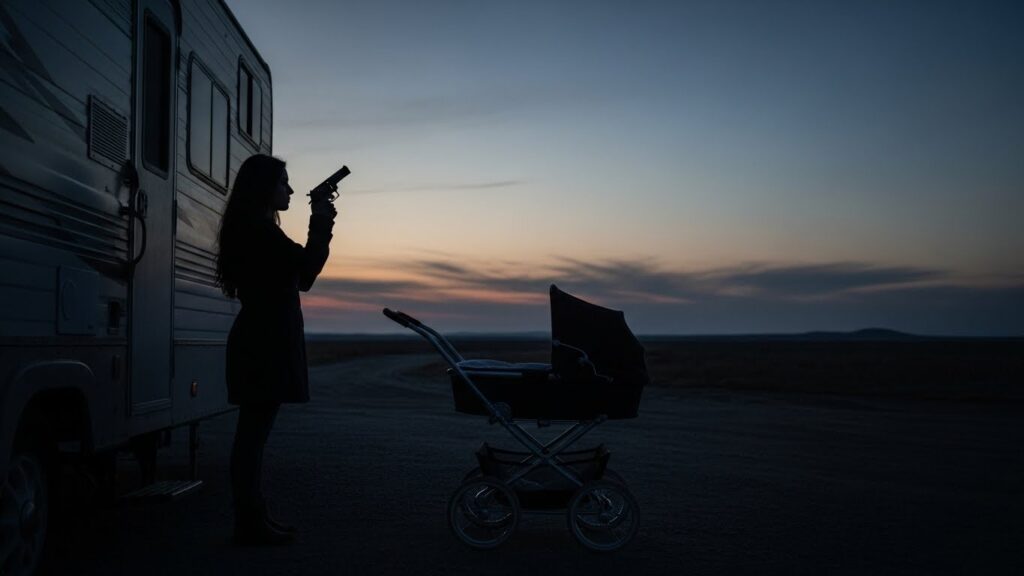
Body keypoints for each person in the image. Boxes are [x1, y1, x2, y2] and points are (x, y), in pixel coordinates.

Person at [215, 154, 337, 545]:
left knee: (252, 438)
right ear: (265, 188)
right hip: (263, 343)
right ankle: (249, 524)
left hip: (259, 340)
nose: (289, 188)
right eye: (283, 182)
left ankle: (253, 519)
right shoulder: (261, 233)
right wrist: (321, 217)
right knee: (251, 440)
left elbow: (299, 275)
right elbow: (307, 272)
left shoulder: (254, 230)